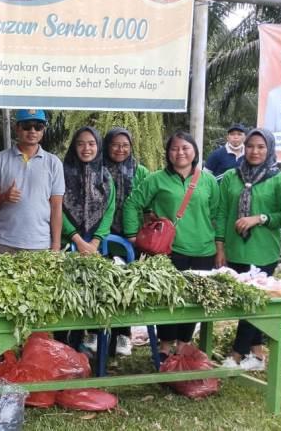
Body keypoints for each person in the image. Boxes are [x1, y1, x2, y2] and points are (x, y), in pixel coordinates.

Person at [124, 132, 220, 361]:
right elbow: (132, 203)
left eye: (185, 148)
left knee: (194, 301)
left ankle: (184, 344)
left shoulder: (207, 180)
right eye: (175, 148)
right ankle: (165, 346)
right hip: (169, 250)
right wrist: (132, 236)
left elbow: (217, 213)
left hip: (204, 250)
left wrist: (219, 246)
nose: (180, 153)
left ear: (195, 151)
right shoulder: (157, 179)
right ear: (168, 153)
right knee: (167, 299)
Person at [214, 129, 281, 371]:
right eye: (251, 146)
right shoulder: (230, 176)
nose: (255, 151)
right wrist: (220, 247)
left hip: (263, 251)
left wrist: (260, 218)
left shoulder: (280, 180)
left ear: (270, 150)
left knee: (252, 303)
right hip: (235, 250)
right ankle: (256, 355)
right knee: (244, 303)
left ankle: (236, 354)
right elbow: (223, 212)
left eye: (261, 147)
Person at [59, 127, 117, 352]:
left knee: (88, 298)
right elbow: (57, 208)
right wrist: (76, 238)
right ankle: (63, 346)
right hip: (67, 245)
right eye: (81, 143)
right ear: (74, 146)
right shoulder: (62, 173)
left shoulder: (105, 175)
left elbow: (109, 209)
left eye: (91, 143)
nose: (86, 148)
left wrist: (95, 242)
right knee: (65, 298)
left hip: (94, 248)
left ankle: (83, 347)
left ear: (98, 146)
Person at [0, 109, 65, 253]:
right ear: (17, 128)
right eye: (27, 126)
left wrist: (56, 245)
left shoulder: (54, 163)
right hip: (3, 242)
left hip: (40, 244)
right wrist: (4, 196)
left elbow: (56, 207)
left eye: (38, 126)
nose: (32, 131)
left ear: (43, 129)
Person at [102, 127, 150, 356]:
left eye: (125, 145)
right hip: (102, 236)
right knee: (103, 287)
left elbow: (148, 204)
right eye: (115, 145)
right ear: (107, 146)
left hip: (132, 237)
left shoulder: (140, 172)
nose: (120, 149)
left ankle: (123, 335)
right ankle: (96, 334)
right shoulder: (98, 169)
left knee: (126, 287)